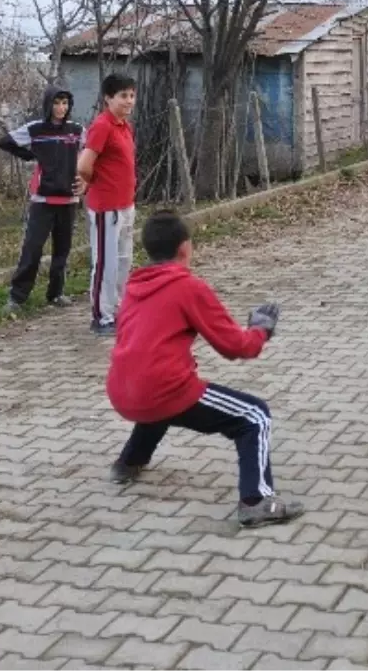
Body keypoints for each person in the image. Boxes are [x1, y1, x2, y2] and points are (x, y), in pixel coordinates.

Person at [105, 210, 303, 528]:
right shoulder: (187, 286)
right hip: (160, 390)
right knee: (255, 416)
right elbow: (235, 347)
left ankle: (128, 464)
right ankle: (256, 501)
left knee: (159, 398)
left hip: (121, 390)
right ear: (185, 248)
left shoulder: (133, 286)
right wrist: (261, 330)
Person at [0, 84, 86, 314]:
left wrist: (85, 178)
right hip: (42, 199)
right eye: (57, 103)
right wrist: (30, 155)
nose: (61, 107)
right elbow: (5, 141)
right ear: (49, 104)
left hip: (68, 200)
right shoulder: (36, 129)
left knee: (62, 250)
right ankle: (17, 297)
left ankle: (56, 293)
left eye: (65, 103)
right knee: (33, 248)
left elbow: (91, 152)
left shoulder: (76, 131)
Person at [78, 73, 138, 336]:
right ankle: (101, 315)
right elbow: (84, 164)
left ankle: (119, 309)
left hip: (126, 203)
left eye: (132, 95)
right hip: (107, 207)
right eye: (123, 96)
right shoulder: (102, 126)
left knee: (124, 260)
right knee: (106, 262)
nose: (129, 101)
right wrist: (92, 183)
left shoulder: (124, 126)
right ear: (108, 98)